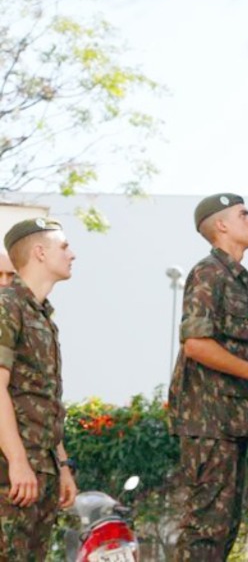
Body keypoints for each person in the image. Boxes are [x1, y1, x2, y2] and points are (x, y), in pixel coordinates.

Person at [168, 193, 248, 561]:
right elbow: (196, 345)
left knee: (223, 529)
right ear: (221, 225)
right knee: (206, 531)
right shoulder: (208, 272)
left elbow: (227, 355)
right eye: (243, 214)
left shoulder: (233, 280)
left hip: (228, 423)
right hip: (209, 425)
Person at [0, 219, 79, 560]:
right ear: (40, 252)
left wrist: (62, 465)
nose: (72, 255)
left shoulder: (44, 317)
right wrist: (17, 461)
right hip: (11, 472)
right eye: (64, 247)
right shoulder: (7, 305)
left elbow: (45, 402)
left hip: (41, 468)